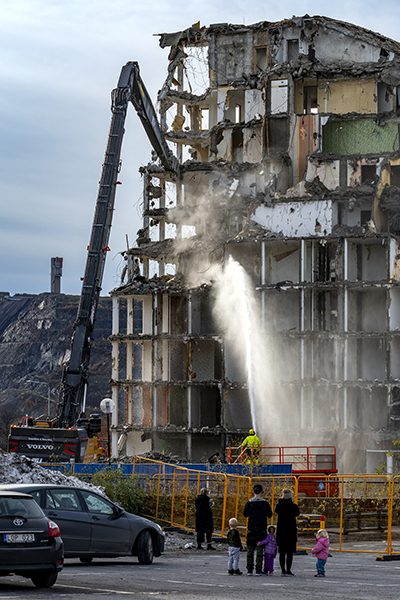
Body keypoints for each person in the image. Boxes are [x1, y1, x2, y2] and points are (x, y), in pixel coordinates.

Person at [243, 484, 272, 575]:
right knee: (260, 551)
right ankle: (258, 570)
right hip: (261, 529)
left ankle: (249, 570)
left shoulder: (249, 503)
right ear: (261, 492)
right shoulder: (265, 504)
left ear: (253, 492)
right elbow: (270, 514)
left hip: (251, 528)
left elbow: (245, 514)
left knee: (250, 551)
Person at [275, 488, 300, 576]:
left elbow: (276, 511)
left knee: (282, 551)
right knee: (290, 552)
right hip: (291, 531)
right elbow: (297, 513)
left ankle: (282, 570)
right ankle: (288, 570)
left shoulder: (279, 506)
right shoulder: (293, 506)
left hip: (281, 530)